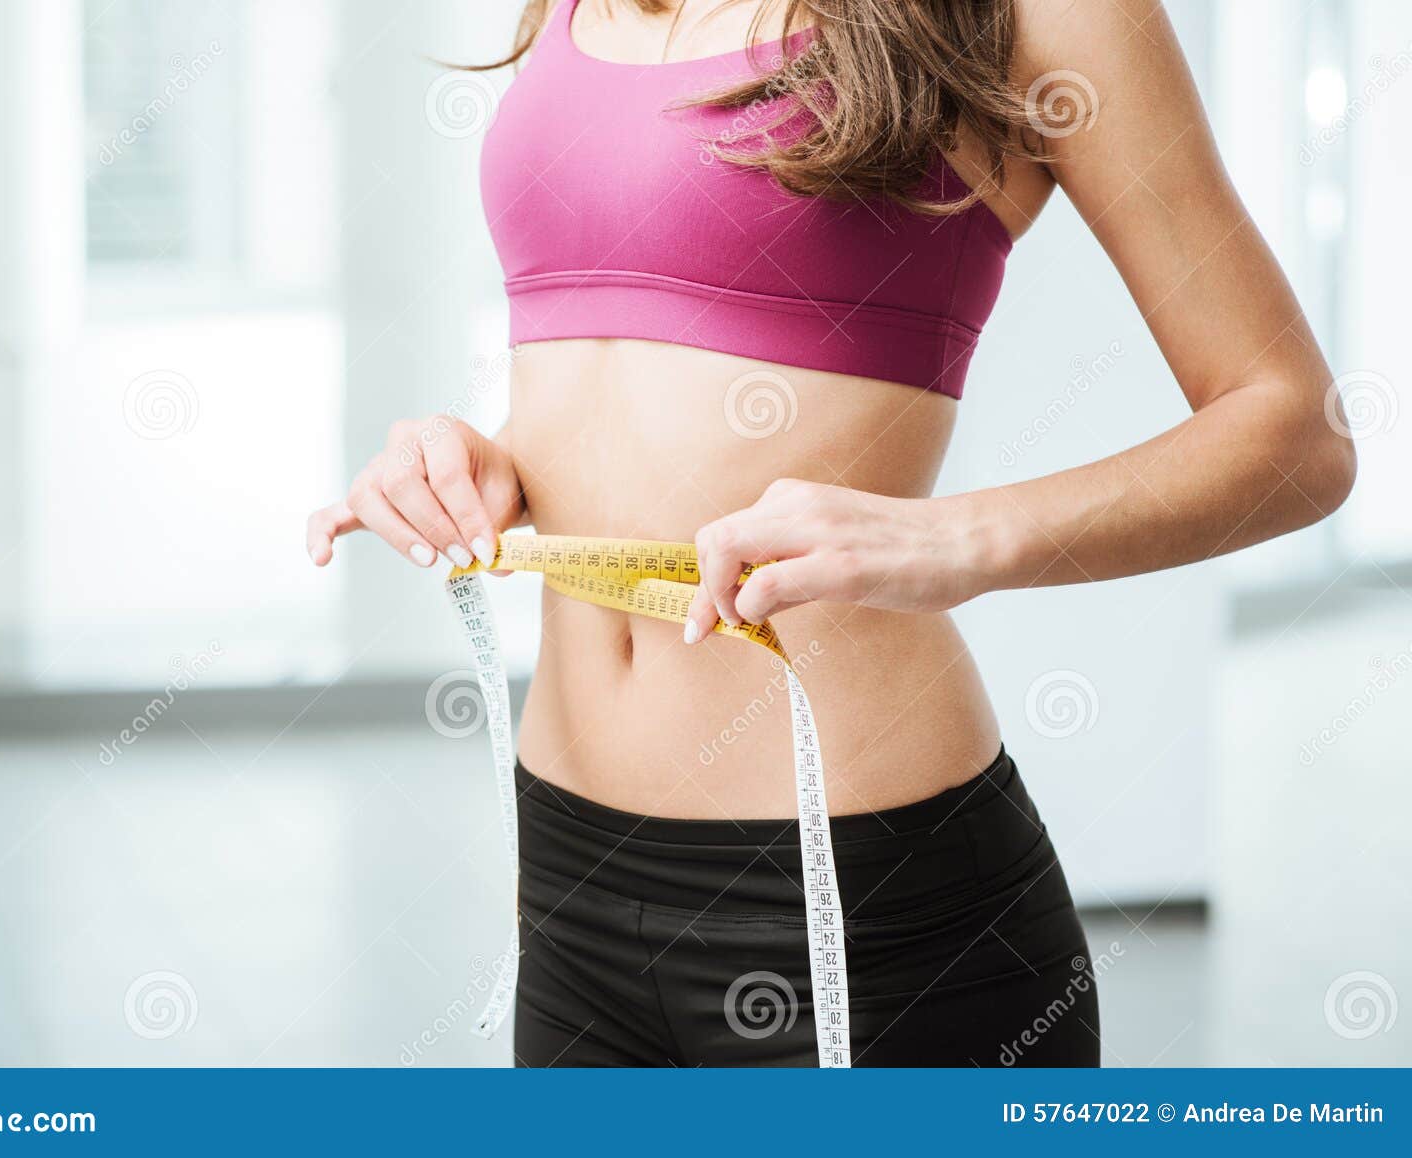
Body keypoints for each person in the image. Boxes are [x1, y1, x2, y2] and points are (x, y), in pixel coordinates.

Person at [306, 0, 1355, 1066]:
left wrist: (955, 541)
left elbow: (1295, 434)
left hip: (866, 903)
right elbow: (632, 364)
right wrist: (491, 462)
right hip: (569, 876)